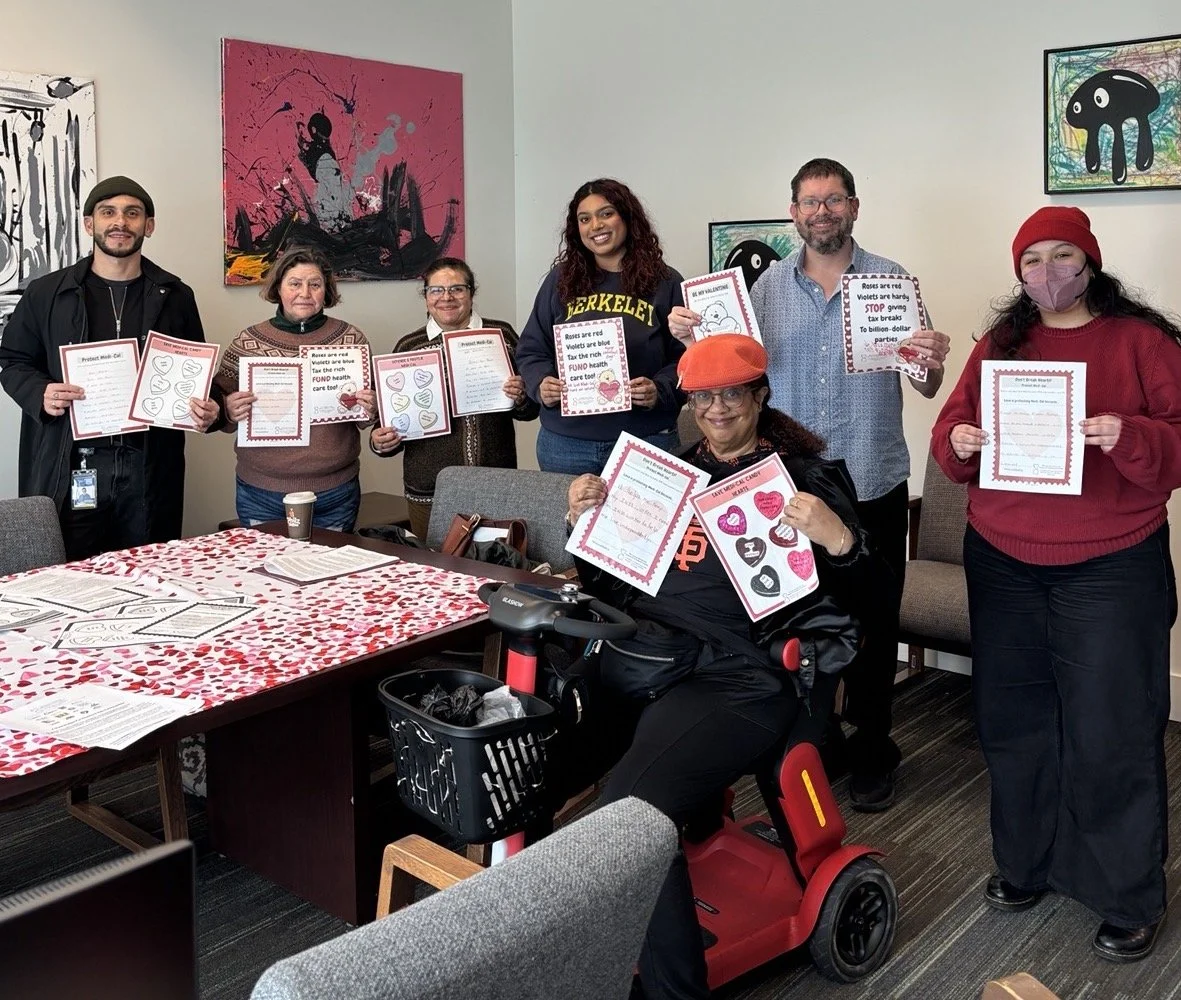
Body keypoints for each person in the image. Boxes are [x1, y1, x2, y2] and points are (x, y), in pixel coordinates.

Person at [563, 335, 893, 999]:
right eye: (703, 395)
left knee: (627, 813)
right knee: (536, 756)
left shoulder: (805, 477)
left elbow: (871, 602)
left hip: (744, 676)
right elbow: (618, 585)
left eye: (731, 393)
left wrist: (838, 537)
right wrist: (584, 528)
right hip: (653, 656)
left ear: (758, 396)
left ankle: (672, 988)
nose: (716, 407)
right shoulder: (668, 476)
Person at [930, 206, 1181, 962]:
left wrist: (1130, 435)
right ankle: (1025, 863)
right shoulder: (997, 346)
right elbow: (949, 437)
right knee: (1013, 723)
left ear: (1090, 261)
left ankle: (1124, 892)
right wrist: (960, 442)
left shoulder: (1143, 341)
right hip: (1002, 559)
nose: (1046, 272)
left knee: (1113, 730)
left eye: (1062, 255)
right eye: (1031, 258)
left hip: (1111, 563)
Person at [670, 158, 951, 812]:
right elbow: (724, 372)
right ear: (792, 212)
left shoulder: (892, 283)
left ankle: (875, 748)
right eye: (808, 202)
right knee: (799, 625)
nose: (820, 212)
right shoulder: (761, 290)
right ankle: (817, 746)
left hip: (873, 479)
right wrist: (688, 331)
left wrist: (929, 364)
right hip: (788, 488)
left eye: (832, 200)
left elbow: (926, 383)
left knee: (875, 627)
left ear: (852, 207)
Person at [0, 175, 222, 560]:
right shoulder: (47, 293)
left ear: (148, 226)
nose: (120, 222)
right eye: (108, 212)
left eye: (132, 213)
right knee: (68, 574)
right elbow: (13, 360)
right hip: (73, 465)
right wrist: (41, 393)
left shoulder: (175, 295)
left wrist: (211, 406)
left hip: (148, 466)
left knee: (152, 574)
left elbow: (198, 372)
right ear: (90, 224)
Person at [516, 178, 686, 475]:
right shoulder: (560, 281)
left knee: (643, 523)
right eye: (585, 219)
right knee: (566, 523)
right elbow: (531, 349)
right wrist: (541, 384)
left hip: (644, 440)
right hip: (565, 445)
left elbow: (687, 357)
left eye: (606, 213)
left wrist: (660, 389)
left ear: (627, 218)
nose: (595, 225)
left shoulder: (666, 282)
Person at [369, 257, 537, 539]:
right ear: (425, 298)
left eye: (457, 289)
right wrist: (380, 441)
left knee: (497, 567)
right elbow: (387, 424)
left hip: (496, 483)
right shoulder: (409, 347)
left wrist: (521, 396)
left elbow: (529, 410)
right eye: (436, 290)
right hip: (430, 489)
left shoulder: (501, 335)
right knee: (434, 573)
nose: (446, 298)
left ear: (471, 293)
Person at [215, 246, 376, 532]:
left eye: (315, 284)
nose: (305, 293)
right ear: (278, 288)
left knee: (331, 574)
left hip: (334, 492)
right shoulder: (248, 340)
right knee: (264, 574)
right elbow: (216, 405)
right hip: (260, 491)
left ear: (326, 291)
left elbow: (372, 417)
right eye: (295, 283)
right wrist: (226, 410)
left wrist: (372, 407)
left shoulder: (351, 339)